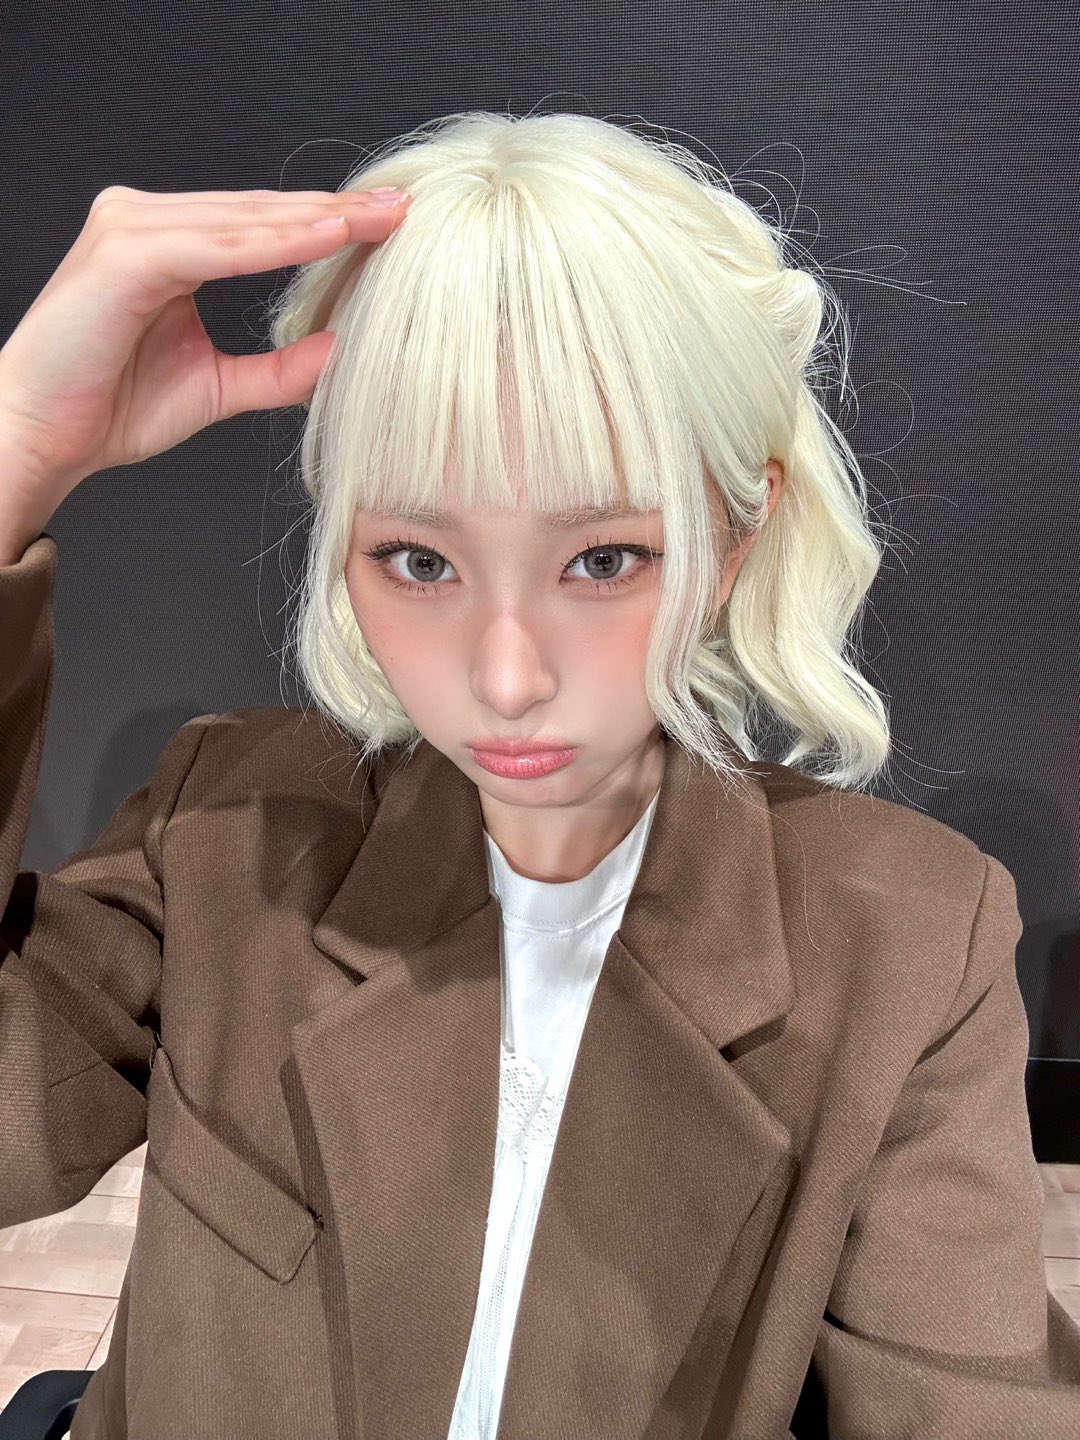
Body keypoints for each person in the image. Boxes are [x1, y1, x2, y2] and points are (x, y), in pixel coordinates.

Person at [1, 110, 1078, 1440]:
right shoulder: (225, 821)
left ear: (734, 540)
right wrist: (12, 451)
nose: (506, 677)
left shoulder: (904, 939)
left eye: (603, 559)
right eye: (419, 561)